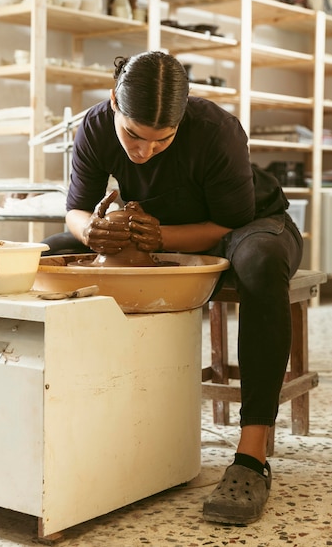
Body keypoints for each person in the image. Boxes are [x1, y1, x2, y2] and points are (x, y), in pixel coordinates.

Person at [42, 50, 303, 525]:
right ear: (114, 105)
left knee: (260, 262)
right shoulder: (96, 125)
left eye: (162, 141)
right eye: (133, 136)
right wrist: (91, 232)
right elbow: (76, 209)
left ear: (181, 123)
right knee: (47, 253)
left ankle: (250, 457)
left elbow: (228, 221)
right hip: (159, 228)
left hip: (249, 225)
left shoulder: (217, 129)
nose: (143, 152)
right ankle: (64, 421)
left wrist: (161, 236)